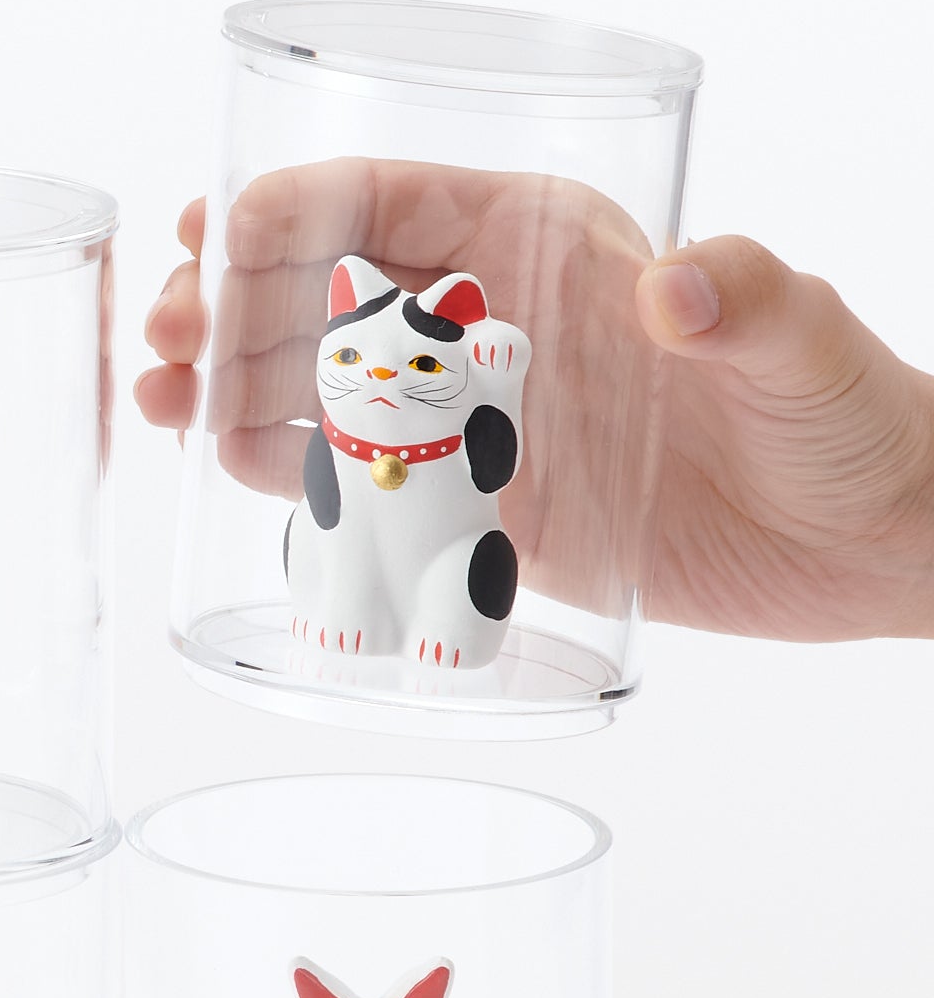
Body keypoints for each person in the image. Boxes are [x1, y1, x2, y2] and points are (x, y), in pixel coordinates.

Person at [133, 159, 934, 641]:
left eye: (415, 363)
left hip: (450, 548)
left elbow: (492, 470)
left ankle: (440, 622)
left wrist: (906, 512)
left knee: (466, 569)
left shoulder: (469, 416)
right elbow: (330, 506)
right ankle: (341, 612)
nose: (377, 378)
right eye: (349, 358)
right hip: (348, 534)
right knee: (325, 538)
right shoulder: (337, 435)